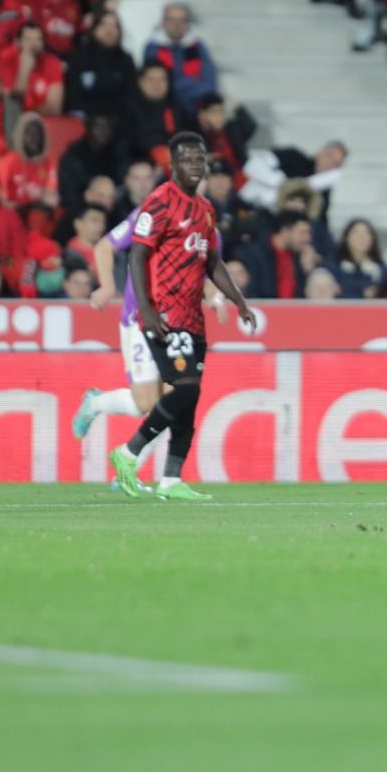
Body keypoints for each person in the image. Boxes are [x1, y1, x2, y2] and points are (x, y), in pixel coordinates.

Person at [108, 133, 255, 501]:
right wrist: (146, 309)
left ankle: (171, 480)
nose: (194, 164)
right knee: (187, 389)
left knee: (189, 396)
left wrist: (238, 300)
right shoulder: (158, 202)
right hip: (165, 313)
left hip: (193, 316)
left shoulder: (205, 208)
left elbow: (212, 262)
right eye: (186, 159)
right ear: (172, 165)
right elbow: (136, 256)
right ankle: (128, 454)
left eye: (199, 158)